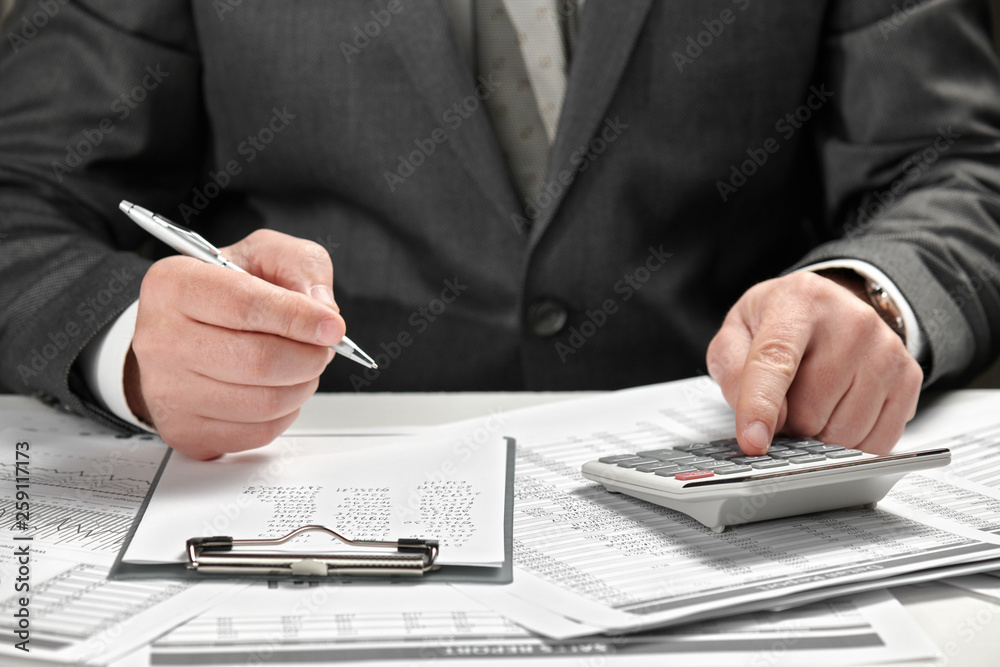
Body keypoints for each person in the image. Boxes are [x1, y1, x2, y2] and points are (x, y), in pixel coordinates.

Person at [1, 1, 999, 461]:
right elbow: (23, 196)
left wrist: (870, 292)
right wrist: (134, 345)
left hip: (729, 476)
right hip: (307, 500)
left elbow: (954, 159)